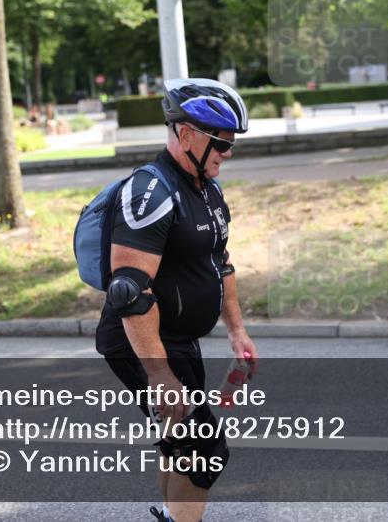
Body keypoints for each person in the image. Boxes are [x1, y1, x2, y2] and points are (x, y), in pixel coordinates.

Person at [95, 78, 258, 522]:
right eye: (221, 143)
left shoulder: (207, 189)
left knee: (178, 441)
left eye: (231, 144)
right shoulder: (151, 193)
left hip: (177, 339)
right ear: (186, 134)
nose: (228, 152)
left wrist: (237, 330)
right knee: (205, 450)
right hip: (144, 342)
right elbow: (129, 292)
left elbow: (219, 264)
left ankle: (171, 512)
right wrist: (159, 374)